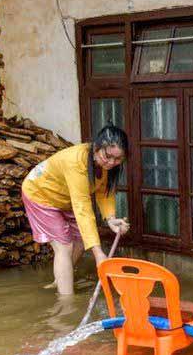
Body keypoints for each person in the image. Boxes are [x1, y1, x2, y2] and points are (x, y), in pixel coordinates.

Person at [21, 125, 131, 295]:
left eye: (117, 159)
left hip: (67, 197)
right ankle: (66, 303)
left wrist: (111, 218)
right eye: (107, 156)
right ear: (96, 147)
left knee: (79, 240)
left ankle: (61, 279)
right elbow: (83, 209)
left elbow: (103, 192)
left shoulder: (105, 165)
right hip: (41, 193)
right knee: (64, 246)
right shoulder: (76, 161)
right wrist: (98, 254)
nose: (111, 163)